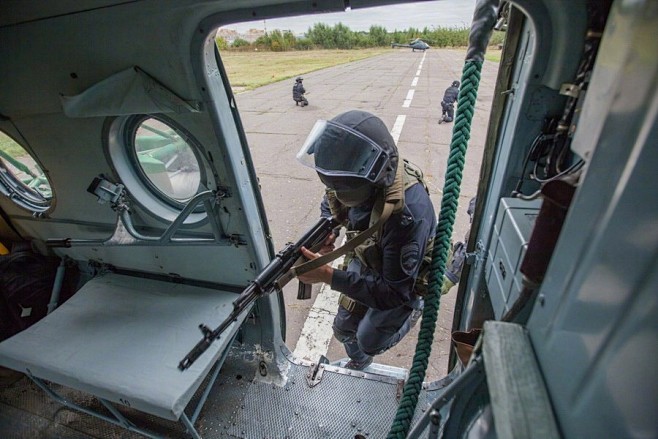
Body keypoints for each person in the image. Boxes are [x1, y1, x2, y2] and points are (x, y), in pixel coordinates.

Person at [295, 110, 436, 370]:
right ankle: (359, 363)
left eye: (343, 189)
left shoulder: (405, 215)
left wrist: (328, 275)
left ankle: (417, 305)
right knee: (343, 329)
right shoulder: (352, 173)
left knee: (369, 340)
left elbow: (393, 292)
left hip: (398, 279)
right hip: (370, 253)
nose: (337, 192)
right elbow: (332, 200)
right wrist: (330, 231)